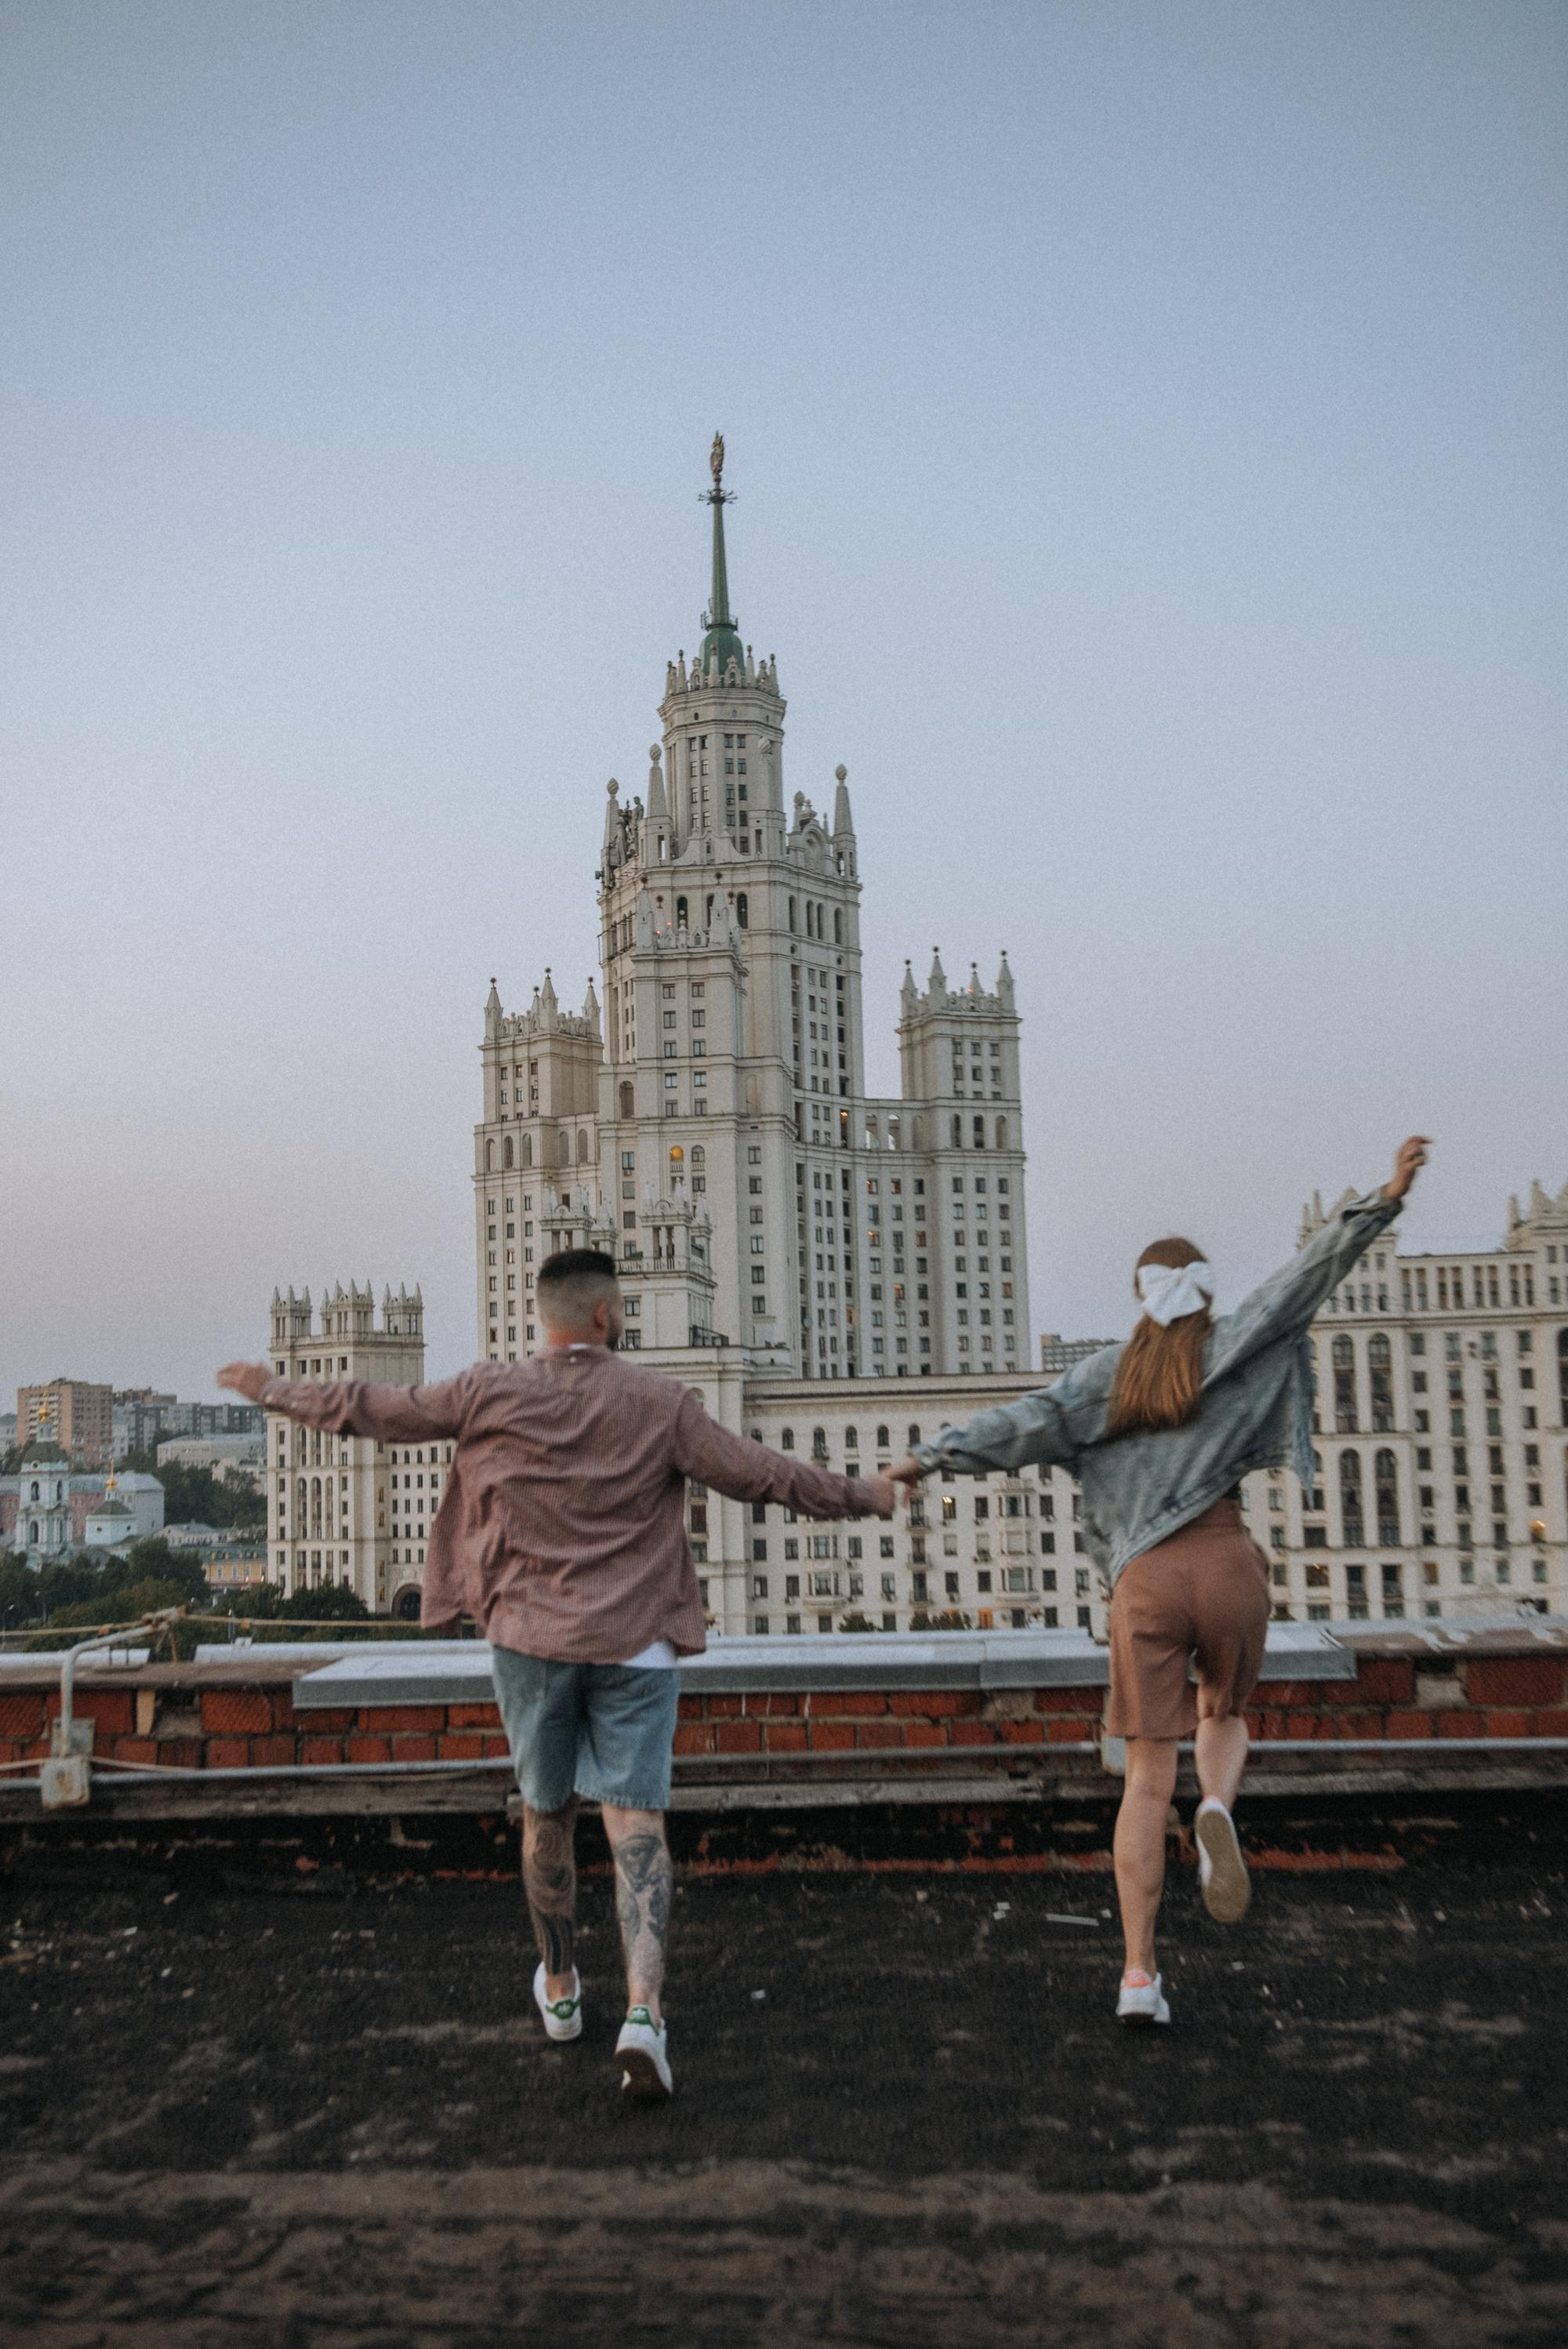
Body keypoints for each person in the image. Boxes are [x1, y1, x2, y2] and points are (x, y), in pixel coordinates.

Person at [220, 1247, 895, 2098]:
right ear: (608, 1316)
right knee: (636, 1829)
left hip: (530, 1642)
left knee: (546, 1814)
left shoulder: (487, 1389)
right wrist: (865, 1495)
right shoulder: (661, 1401)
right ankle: (644, 2012)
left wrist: (271, 1387)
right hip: (635, 1642)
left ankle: (563, 1984)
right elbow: (764, 1477)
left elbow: (375, 1409)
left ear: (543, 1318)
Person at [888, 1137, 1430, 2027]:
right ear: (1207, 1293)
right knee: (1223, 1711)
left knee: (1143, 1777)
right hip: (1224, 1562)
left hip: (1141, 1581)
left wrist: (923, 1459)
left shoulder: (1104, 1376)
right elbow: (1305, 1277)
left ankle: (1138, 1973)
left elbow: (1018, 1424)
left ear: (1137, 1297)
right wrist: (1385, 1195)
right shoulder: (1234, 1339)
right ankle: (1216, 1805)